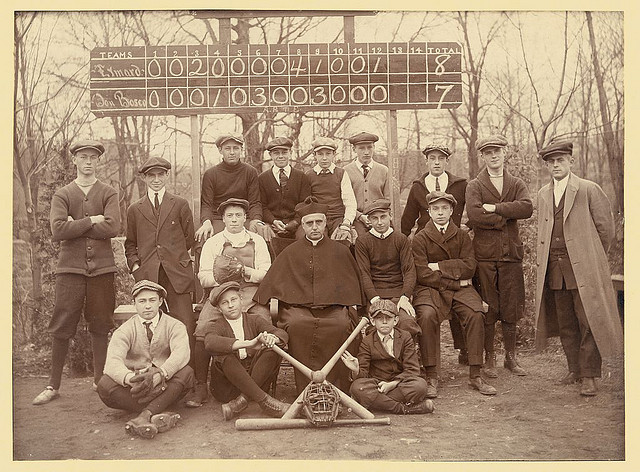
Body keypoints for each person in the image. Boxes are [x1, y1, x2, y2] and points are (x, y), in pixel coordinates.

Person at [33, 139, 121, 405]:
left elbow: (113, 227)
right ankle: (53, 385)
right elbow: (58, 230)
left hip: (103, 270)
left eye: (93, 157)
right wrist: (93, 220)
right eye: (83, 157)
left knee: (100, 324)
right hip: (70, 270)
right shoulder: (63, 194)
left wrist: (77, 224)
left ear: (98, 161)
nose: (88, 161)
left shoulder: (108, 192)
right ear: (75, 160)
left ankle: (100, 382)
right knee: (62, 325)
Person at [534, 139, 623, 396]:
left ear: (570, 161)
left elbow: (606, 230)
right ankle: (574, 369)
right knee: (566, 322)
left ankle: (590, 375)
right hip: (555, 269)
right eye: (550, 162)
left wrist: (591, 256)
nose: (555, 166)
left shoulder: (588, 189)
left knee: (588, 320)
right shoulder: (542, 194)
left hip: (584, 268)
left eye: (560, 160)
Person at [254, 196, 365, 393]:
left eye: (319, 222)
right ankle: (305, 390)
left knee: (341, 325)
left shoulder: (340, 251)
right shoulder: (290, 252)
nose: (314, 227)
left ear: (326, 224)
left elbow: (353, 288)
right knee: (297, 326)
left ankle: (335, 389)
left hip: (333, 309)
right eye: (309, 223)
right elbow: (271, 286)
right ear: (302, 226)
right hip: (298, 310)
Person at [187, 198, 271, 407]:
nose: (234, 220)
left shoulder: (257, 240)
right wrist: (224, 275)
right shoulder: (213, 242)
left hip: (250, 295)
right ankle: (200, 387)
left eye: (239, 215)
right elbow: (203, 276)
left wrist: (245, 272)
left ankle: (257, 383)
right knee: (203, 328)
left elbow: (267, 272)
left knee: (263, 322)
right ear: (223, 219)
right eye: (230, 216)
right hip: (221, 295)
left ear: (245, 217)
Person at [412, 191, 496, 397]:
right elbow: (422, 273)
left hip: (461, 288)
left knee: (476, 313)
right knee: (427, 315)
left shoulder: (461, 235)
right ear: (429, 212)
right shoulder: (420, 237)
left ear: (451, 211)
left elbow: (469, 266)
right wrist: (454, 280)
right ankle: (431, 374)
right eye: (435, 209)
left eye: (444, 209)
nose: (440, 213)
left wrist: (438, 266)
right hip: (431, 289)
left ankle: (475, 373)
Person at [465, 135, 533, 378]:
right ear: (483, 157)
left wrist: (495, 208)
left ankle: (511, 358)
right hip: (484, 256)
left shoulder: (515, 182)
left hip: (511, 255)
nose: (494, 156)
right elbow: (474, 216)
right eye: (489, 152)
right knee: (488, 307)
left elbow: (526, 208)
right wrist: (506, 216)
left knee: (511, 307)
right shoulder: (475, 185)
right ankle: (490, 357)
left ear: (505, 154)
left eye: (498, 152)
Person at [96, 280, 194, 439]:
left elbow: (181, 354)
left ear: (160, 302)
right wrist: (130, 379)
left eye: (152, 300)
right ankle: (155, 412)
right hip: (136, 388)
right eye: (142, 301)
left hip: (164, 383)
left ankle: (143, 416)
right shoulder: (125, 330)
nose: (147, 306)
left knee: (187, 373)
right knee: (104, 384)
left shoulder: (175, 325)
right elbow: (112, 363)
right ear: (134, 303)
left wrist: (159, 375)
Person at [400, 143, 469, 365]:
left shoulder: (459, 185)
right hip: (427, 246)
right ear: (426, 161)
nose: (436, 162)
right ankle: (426, 354)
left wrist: (469, 232)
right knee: (431, 299)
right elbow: (408, 218)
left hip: (454, 246)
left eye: (441, 158)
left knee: (458, 297)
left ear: (447, 161)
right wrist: (401, 242)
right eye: (432, 158)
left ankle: (463, 348)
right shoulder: (419, 186)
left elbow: (470, 213)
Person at [124, 156, 196, 365]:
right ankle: (155, 373)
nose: (156, 179)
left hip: (177, 275)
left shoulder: (180, 204)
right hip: (148, 275)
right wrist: (137, 266)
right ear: (145, 178)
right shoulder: (135, 209)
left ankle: (186, 376)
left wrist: (175, 258)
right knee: (152, 327)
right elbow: (130, 243)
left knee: (185, 324)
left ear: (166, 176)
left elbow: (189, 238)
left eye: (160, 175)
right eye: (151, 176)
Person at [201, 281, 290, 420]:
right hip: (227, 389)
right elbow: (210, 342)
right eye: (225, 303)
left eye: (234, 300)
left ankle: (241, 402)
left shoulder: (254, 320)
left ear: (241, 300)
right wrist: (248, 344)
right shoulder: (215, 325)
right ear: (219, 309)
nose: (231, 305)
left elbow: (282, 333)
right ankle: (265, 402)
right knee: (224, 355)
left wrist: (273, 338)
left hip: (256, 379)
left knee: (273, 349)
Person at [341, 299, 433, 415]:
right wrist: (356, 370)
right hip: (377, 385)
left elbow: (412, 369)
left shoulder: (405, 337)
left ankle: (376, 403)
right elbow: (363, 374)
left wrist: (392, 384)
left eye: (388, 318)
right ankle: (404, 409)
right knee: (357, 388)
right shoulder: (367, 341)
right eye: (380, 318)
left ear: (395, 320)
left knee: (420, 386)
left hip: (399, 384)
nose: (384, 322)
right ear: (373, 321)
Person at [353, 199, 420, 338]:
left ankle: (406, 357)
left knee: (406, 323)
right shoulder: (363, 241)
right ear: (369, 220)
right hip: (375, 296)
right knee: (379, 326)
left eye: (383, 217)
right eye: (374, 218)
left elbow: (409, 271)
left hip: (398, 295)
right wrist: (374, 299)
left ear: (390, 216)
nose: (379, 222)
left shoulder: (401, 239)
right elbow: (363, 273)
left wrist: (405, 297)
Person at [195, 133, 264, 242]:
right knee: (204, 238)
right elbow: (206, 204)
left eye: (236, 148)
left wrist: (256, 219)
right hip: (219, 219)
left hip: (243, 217)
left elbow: (255, 202)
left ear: (241, 149)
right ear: (220, 150)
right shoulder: (211, 174)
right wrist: (207, 221)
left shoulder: (250, 172)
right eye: (227, 148)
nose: (232, 152)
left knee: (261, 237)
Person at [257, 136, 311, 242]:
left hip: (297, 223)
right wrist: (273, 221)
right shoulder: (262, 178)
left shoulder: (301, 177)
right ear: (270, 155)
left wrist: (295, 222)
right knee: (266, 239)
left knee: (305, 237)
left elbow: (305, 204)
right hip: (272, 223)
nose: (281, 156)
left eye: (284, 152)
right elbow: (262, 205)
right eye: (276, 153)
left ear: (290, 153)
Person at [305, 137, 358, 243]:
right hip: (318, 219)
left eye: (328, 154)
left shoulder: (341, 173)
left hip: (338, 218)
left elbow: (350, 202)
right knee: (317, 243)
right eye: (320, 154)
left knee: (343, 242)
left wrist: (346, 223)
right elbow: (306, 203)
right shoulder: (309, 175)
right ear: (315, 155)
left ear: (334, 154)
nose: (324, 158)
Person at [344, 132, 390, 239]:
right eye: (361, 148)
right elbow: (343, 201)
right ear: (354, 149)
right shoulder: (345, 171)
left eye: (369, 147)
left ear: (374, 147)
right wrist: (359, 216)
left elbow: (388, 199)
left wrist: (379, 217)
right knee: (359, 240)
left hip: (379, 217)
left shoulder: (383, 170)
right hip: (356, 219)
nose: (366, 152)